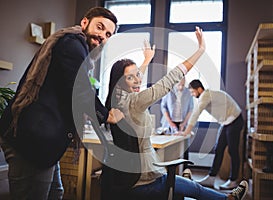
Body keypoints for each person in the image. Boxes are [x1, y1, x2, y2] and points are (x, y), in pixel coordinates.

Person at [103, 26, 248, 200]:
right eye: (130, 77)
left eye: (137, 75)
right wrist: (200, 51)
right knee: (194, 189)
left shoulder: (117, 100)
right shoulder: (136, 101)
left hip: (128, 178)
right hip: (144, 180)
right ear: (121, 82)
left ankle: (189, 183)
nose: (138, 79)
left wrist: (147, 59)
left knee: (184, 186)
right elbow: (172, 77)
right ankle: (228, 199)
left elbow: (134, 77)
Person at [0, 7, 125, 200]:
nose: (102, 36)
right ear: (85, 23)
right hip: (31, 142)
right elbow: (80, 89)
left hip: (45, 143)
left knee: (56, 193)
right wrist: (106, 115)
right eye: (100, 27)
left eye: (108, 34)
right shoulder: (72, 43)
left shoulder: (77, 49)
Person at [183, 79, 244, 190]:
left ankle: (234, 180)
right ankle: (211, 177)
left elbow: (196, 113)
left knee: (232, 150)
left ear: (199, 89)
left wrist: (186, 131)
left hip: (235, 119)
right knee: (219, 148)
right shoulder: (206, 96)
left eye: (192, 92)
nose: (192, 94)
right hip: (227, 122)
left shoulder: (205, 95)